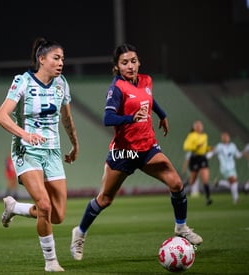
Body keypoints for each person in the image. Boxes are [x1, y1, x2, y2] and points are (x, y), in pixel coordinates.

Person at [69, 43, 203, 262]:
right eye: (124, 63)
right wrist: (132, 118)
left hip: (148, 148)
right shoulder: (117, 88)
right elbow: (108, 119)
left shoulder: (146, 80)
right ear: (117, 67)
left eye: (133, 61)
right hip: (124, 153)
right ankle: (80, 232)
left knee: (177, 184)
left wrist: (162, 114)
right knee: (104, 199)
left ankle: (181, 228)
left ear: (138, 62)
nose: (130, 66)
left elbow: (149, 99)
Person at [0, 37, 79, 272]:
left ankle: (15, 208)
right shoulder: (22, 81)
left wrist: (75, 144)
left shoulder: (62, 83)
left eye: (62, 58)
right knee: (43, 205)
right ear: (41, 59)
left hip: (52, 151)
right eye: (56, 58)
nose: (61, 62)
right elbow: (1, 116)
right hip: (27, 150)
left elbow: (67, 118)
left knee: (58, 215)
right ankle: (51, 261)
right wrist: (25, 134)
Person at [183, 120, 213, 205]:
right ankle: (180, 188)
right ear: (194, 127)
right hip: (194, 158)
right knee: (192, 181)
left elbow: (204, 148)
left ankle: (208, 198)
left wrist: (208, 149)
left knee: (205, 179)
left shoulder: (204, 136)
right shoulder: (191, 135)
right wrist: (196, 146)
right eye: (197, 126)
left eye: (200, 125)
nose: (200, 127)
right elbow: (186, 146)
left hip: (202, 158)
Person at [207, 132, 242, 204]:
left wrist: (243, 153)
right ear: (221, 138)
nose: (225, 138)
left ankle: (219, 183)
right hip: (224, 167)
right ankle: (236, 199)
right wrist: (207, 156)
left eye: (226, 136)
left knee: (233, 183)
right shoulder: (219, 146)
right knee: (233, 181)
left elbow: (238, 155)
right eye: (223, 137)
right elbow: (212, 152)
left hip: (232, 167)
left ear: (229, 138)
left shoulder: (233, 146)